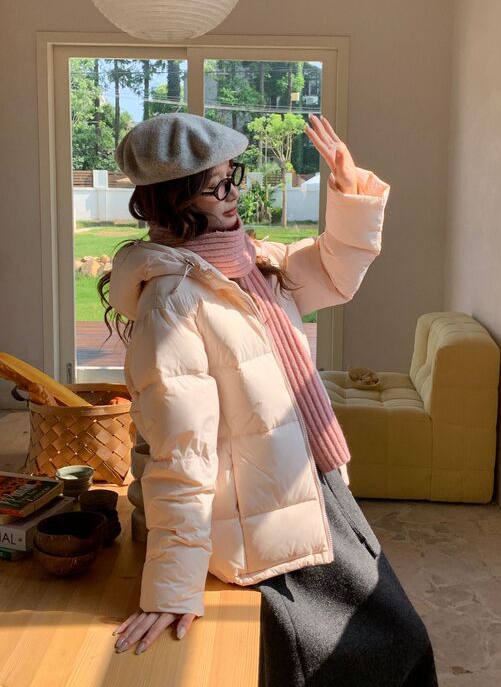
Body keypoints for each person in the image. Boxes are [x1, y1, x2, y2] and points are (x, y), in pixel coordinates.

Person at [99, 111, 438, 686]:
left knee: (392, 645)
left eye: (234, 176)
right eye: (216, 186)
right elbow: (182, 455)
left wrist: (350, 192)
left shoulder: (251, 262)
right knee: (391, 646)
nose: (234, 194)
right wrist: (172, 589)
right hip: (260, 513)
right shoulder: (174, 302)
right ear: (174, 200)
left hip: (311, 483)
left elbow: (333, 271)